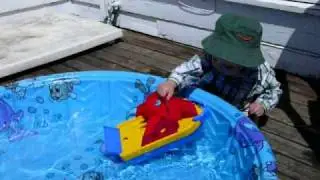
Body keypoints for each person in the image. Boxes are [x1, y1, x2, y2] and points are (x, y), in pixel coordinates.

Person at [157, 14, 282, 119]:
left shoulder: (260, 72)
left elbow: (275, 90)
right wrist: (171, 82)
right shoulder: (210, 57)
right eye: (216, 59)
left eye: (229, 67)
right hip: (205, 97)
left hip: (233, 109)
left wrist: (263, 104)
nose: (219, 66)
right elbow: (188, 68)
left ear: (245, 62)